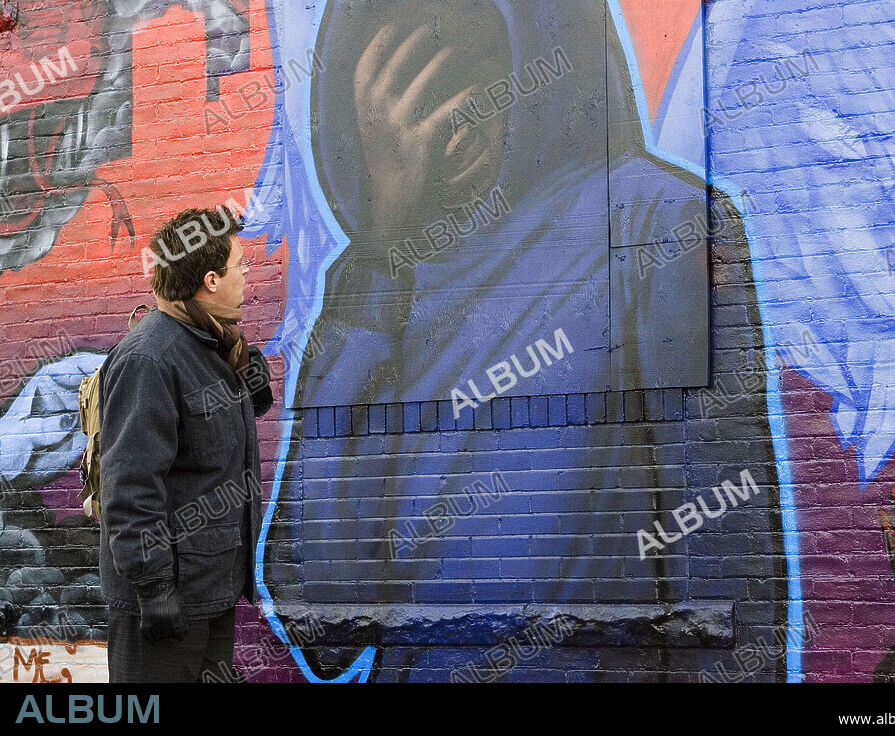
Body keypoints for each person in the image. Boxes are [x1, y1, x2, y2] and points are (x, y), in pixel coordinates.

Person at [261, 0, 787, 681]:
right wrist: (379, 256)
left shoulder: (658, 225)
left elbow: (725, 567)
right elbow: (321, 620)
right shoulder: (377, 291)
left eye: (469, 65)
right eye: (399, 89)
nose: (440, 118)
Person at [98, 207, 273, 683]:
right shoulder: (151, 358)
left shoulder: (213, 346)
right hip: (164, 600)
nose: (247, 277)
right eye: (242, 266)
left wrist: (247, 385)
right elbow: (129, 488)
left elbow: (212, 452)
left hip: (207, 590)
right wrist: (154, 589)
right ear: (211, 280)